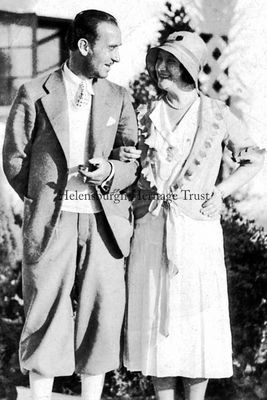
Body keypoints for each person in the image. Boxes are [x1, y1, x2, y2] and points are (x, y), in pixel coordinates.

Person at [117, 31, 265, 399]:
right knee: (156, 326)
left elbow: (253, 157)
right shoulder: (145, 112)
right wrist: (126, 160)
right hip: (151, 230)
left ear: (191, 67)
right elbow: (129, 166)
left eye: (172, 61)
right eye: (160, 60)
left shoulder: (216, 113)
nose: (162, 68)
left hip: (197, 233)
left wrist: (220, 191)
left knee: (196, 326)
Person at [2, 9, 138, 400]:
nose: (116, 57)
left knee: (102, 315)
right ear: (84, 45)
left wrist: (109, 170)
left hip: (103, 225)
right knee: (45, 312)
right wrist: (45, 200)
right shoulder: (34, 92)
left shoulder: (119, 96)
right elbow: (15, 160)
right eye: (110, 47)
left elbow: (132, 161)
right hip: (52, 223)